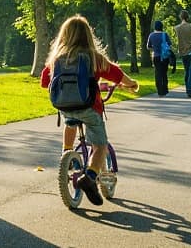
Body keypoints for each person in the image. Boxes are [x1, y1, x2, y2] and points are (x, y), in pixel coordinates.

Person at [40, 15, 138, 206]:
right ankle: (90, 176)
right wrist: (132, 84)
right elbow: (117, 74)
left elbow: (45, 83)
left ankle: (66, 156)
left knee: (70, 122)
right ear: (88, 36)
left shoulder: (56, 60)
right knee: (100, 145)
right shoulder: (93, 57)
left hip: (66, 108)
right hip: (90, 109)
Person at [174, 11, 191, 97]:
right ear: (188, 17)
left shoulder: (177, 28)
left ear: (180, 17)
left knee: (187, 71)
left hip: (183, 52)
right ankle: (189, 90)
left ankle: (187, 88)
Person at [146, 20, 174, 96]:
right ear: (162, 27)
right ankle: (165, 90)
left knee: (157, 73)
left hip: (156, 56)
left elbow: (148, 47)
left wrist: (155, 48)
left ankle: (159, 91)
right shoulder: (165, 35)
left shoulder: (151, 35)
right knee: (164, 73)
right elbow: (170, 46)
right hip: (165, 57)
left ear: (155, 27)